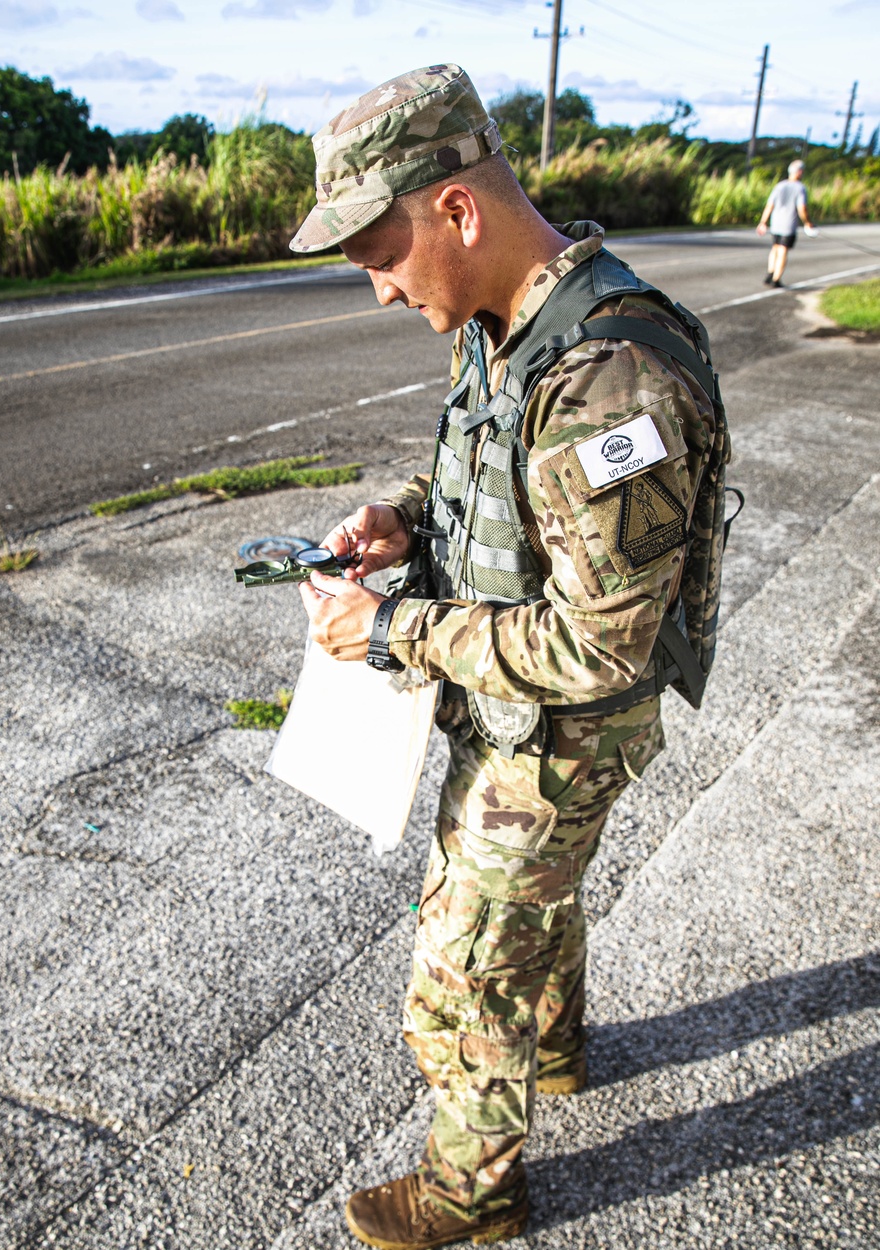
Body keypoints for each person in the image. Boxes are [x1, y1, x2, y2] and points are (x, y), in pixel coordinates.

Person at [289, 65, 716, 1249]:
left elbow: (597, 640)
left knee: (465, 965)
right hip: (524, 702)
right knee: (537, 900)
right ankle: (562, 1045)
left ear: (457, 212)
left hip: (563, 724)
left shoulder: (607, 377)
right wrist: (406, 519)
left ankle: (472, 1192)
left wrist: (391, 631)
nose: (378, 289)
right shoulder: (513, 325)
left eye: (380, 254)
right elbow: (503, 481)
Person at [757, 159, 813, 287]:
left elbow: (769, 205)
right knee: (783, 250)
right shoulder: (800, 188)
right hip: (788, 225)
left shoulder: (779, 186)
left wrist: (763, 222)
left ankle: (770, 273)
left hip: (775, 223)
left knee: (775, 248)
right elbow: (802, 208)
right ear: (799, 172)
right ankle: (776, 279)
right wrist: (807, 222)